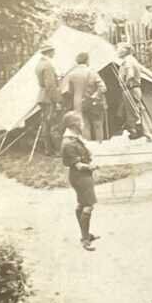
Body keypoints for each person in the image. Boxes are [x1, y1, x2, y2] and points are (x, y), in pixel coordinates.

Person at [59, 112, 99, 252]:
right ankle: (85, 240)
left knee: (82, 204)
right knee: (88, 206)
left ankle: (85, 234)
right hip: (81, 176)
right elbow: (78, 165)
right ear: (74, 125)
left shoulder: (72, 138)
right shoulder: (69, 143)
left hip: (79, 176)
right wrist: (92, 166)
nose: (83, 124)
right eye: (81, 122)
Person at [61, 52, 107, 141]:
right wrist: (95, 95)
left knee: (84, 125)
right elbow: (103, 88)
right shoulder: (92, 72)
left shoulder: (71, 74)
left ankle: (88, 146)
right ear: (87, 61)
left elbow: (66, 91)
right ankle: (99, 146)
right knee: (98, 124)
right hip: (94, 102)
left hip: (78, 103)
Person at [34, 42, 61, 155]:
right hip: (49, 98)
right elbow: (50, 85)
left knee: (46, 124)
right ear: (49, 52)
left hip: (42, 96)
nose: (54, 53)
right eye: (53, 51)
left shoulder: (40, 64)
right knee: (54, 124)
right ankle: (58, 150)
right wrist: (57, 101)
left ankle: (48, 149)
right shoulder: (48, 65)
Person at [116, 43, 147, 140]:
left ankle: (135, 133)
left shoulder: (128, 61)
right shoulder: (130, 60)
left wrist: (125, 84)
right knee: (132, 111)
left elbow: (130, 75)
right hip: (132, 88)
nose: (117, 51)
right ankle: (135, 131)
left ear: (125, 50)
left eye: (119, 49)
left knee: (132, 112)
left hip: (131, 89)